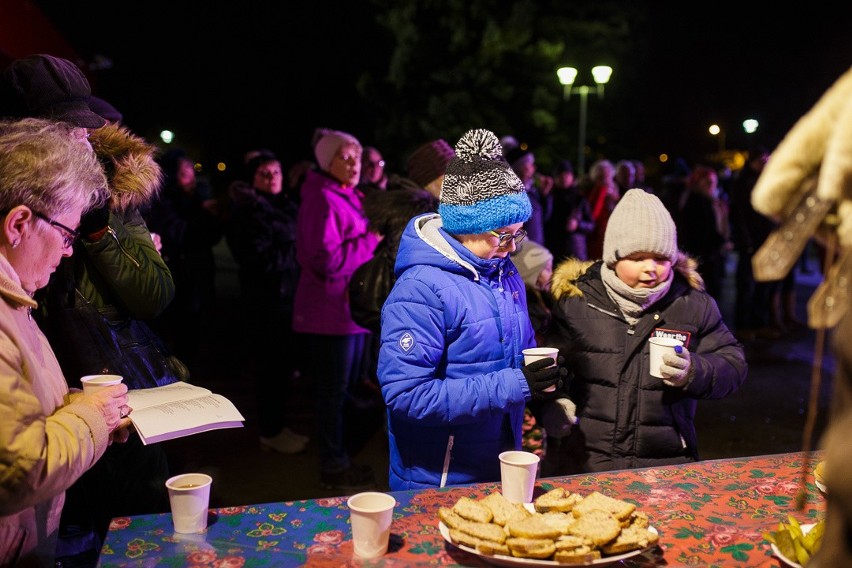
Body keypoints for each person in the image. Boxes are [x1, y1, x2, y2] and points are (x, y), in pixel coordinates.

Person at [0, 54, 180, 564]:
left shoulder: (105, 198)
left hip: (113, 395)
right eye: (65, 128)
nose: (82, 138)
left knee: (142, 526)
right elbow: (21, 467)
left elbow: (154, 292)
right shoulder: (33, 208)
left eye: (85, 126)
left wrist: (96, 229)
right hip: (59, 428)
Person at [377, 128, 568, 490]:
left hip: (497, 463)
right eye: (503, 235)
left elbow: (518, 355)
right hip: (438, 479)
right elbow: (406, 396)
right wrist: (516, 385)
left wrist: (544, 390)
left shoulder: (502, 272)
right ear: (467, 226)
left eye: (519, 233)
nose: (512, 248)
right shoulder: (421, 289)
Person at [0, 117, 131, 567]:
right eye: (66, 234)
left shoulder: (14, 296)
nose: (69, 250)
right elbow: (20, 469)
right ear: (19, 223)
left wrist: (83, 407)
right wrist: (92, 416)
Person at [544, 189, 747, 474]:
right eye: (637, 257)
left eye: (661, 259)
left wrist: (694, 370)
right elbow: (551, 368)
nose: (650, 268)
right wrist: (552, 404)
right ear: (613, 258)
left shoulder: (693, 304)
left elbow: (733, 363)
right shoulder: (577, 302)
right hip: (587, 462)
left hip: (666, 463)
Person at [292, 128, 381, 491]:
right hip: (329, 315)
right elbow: (325, 261)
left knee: (344, 392)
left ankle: (342, 457)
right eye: (344, 157)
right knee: (332, 394)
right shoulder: (322, 199)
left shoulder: (346, 195)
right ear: (327, 162)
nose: (354, 163)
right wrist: (372, 238)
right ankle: (332, 464)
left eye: (357, 156)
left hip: (349, 313)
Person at [225, 150, 307, 454]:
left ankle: (279, 427)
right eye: (264, 173)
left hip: (287, 300)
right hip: (265, 303)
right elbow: (255, 258)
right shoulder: (247, 210)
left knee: (283, 367)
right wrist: (299, 252)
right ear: (253, 178)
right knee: (270, 369)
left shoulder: (285, 205)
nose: (271, 178)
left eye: (276, 172)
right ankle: (270, 431)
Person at [145, 148, 224, 370]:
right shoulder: (164, 202)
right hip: (177, 276)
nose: (190, 176)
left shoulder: (199, 198)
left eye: (191, 170)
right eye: (184, 172)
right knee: (177, 331)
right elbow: (179, 233)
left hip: (199, 274)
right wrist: (203, 214)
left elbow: (211, 236)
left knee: (194, 331)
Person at [677, 165, 733, 300]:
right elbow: (702, 230)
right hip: (702, 257)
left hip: (710, 255)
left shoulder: (711, 201)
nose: (711, 185)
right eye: (707, 181)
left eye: (713, 182)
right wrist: (721, 241)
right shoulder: (695, 202)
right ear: (698, 182)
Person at [544, 159, 594, 261]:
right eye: (560, 175)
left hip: (575, 251)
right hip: (554, 251)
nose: (564, 178)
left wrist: (577, 224)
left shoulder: (580, 199)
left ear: (572, 177)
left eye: (566, 175)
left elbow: (591, 225)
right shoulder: (549, 198)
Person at [505, 144, 553, 245]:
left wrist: (545, 195)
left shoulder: (532, 191)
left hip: (536, 248)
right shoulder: (512, 194)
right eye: (530, 164)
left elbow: (544, 218)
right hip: (523, 252)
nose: (534, 167)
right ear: (521, 167)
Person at [582, 158, 619, 260]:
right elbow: (594, 215)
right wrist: (602, 192)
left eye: (608, 176)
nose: (605, 180)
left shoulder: (616, 191)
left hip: (613, 236)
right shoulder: (593, 192)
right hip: (596, 237)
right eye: (601, 177)